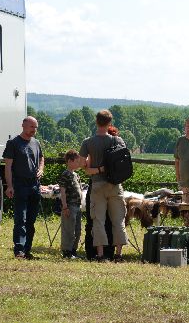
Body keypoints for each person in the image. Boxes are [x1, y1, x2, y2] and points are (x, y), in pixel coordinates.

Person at [79, 110, 128, 262]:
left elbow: (83, 165)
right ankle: (118, 255)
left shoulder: (88, 142)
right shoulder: (117, 140)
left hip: (97, 184)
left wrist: (95, 169)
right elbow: (124, 161)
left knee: (98, 220)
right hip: (114, 185)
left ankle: (100, 255)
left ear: (96, 122)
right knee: (118, 220)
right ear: (109, 123)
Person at [3, 116, 45, 259]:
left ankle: (27, 250)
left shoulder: (36, 143)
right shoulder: (13, 143)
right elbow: (8, 166)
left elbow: (41, 159)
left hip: (34, 185)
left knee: (31, 221)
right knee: (21, 219)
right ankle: (19, 250)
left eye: (36, 127)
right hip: (20, 185)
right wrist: (9, 186)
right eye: (32, 126)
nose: (34, 130)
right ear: (23, 125)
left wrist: (41, 169)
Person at [58, 149, 84, 259]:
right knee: (69, 229)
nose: (78, 164)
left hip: (77, 206)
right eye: (76, 162)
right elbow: (62, 191)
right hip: (70, 205)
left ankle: (74, 250)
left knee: (77, 229)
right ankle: (67, 251)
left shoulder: (76, 175)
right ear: (69, 161)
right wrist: (65, 206)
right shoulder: (65, 174)